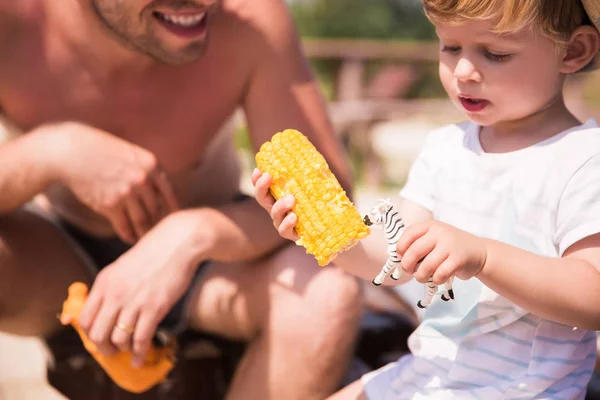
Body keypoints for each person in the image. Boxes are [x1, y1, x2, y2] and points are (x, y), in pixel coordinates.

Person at [0, 1, 364, 399]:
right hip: (54, 259)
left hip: (214, 269)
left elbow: (329, 197)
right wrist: (53, 149)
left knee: (326, 291)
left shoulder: (248, 18)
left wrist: (194, 233)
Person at [255, 0, 600, 398]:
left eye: (495, 53)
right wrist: (327, 235)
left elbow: (592, 295)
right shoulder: (445, 149)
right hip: (430, 373)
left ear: (573, 52)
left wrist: (484, 257)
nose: (464, 72)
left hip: (520, 389)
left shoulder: (583, 161)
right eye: (450, 48)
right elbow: (395, 260)